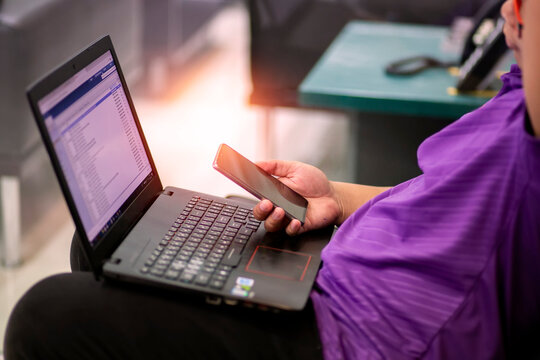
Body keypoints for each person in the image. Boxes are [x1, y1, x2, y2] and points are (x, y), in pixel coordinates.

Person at [4, 0, 539, 358]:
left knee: (45, 314)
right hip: (339, 274)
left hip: (361, 337)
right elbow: (444, 199)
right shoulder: (513, 98)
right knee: (105, 243)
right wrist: (335, 196)